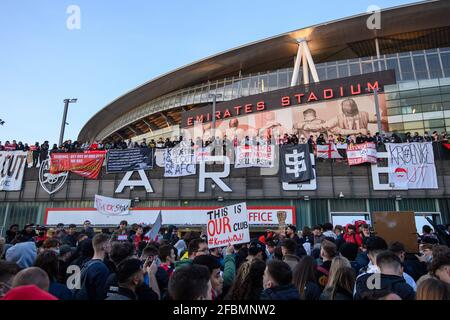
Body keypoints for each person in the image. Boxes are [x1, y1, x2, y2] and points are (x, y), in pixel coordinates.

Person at [74, 234, 111, 300]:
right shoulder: (101, 268)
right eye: (109, 243)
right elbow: (101, 294)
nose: (111, 245)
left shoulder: (87, 264)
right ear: (104, 246)